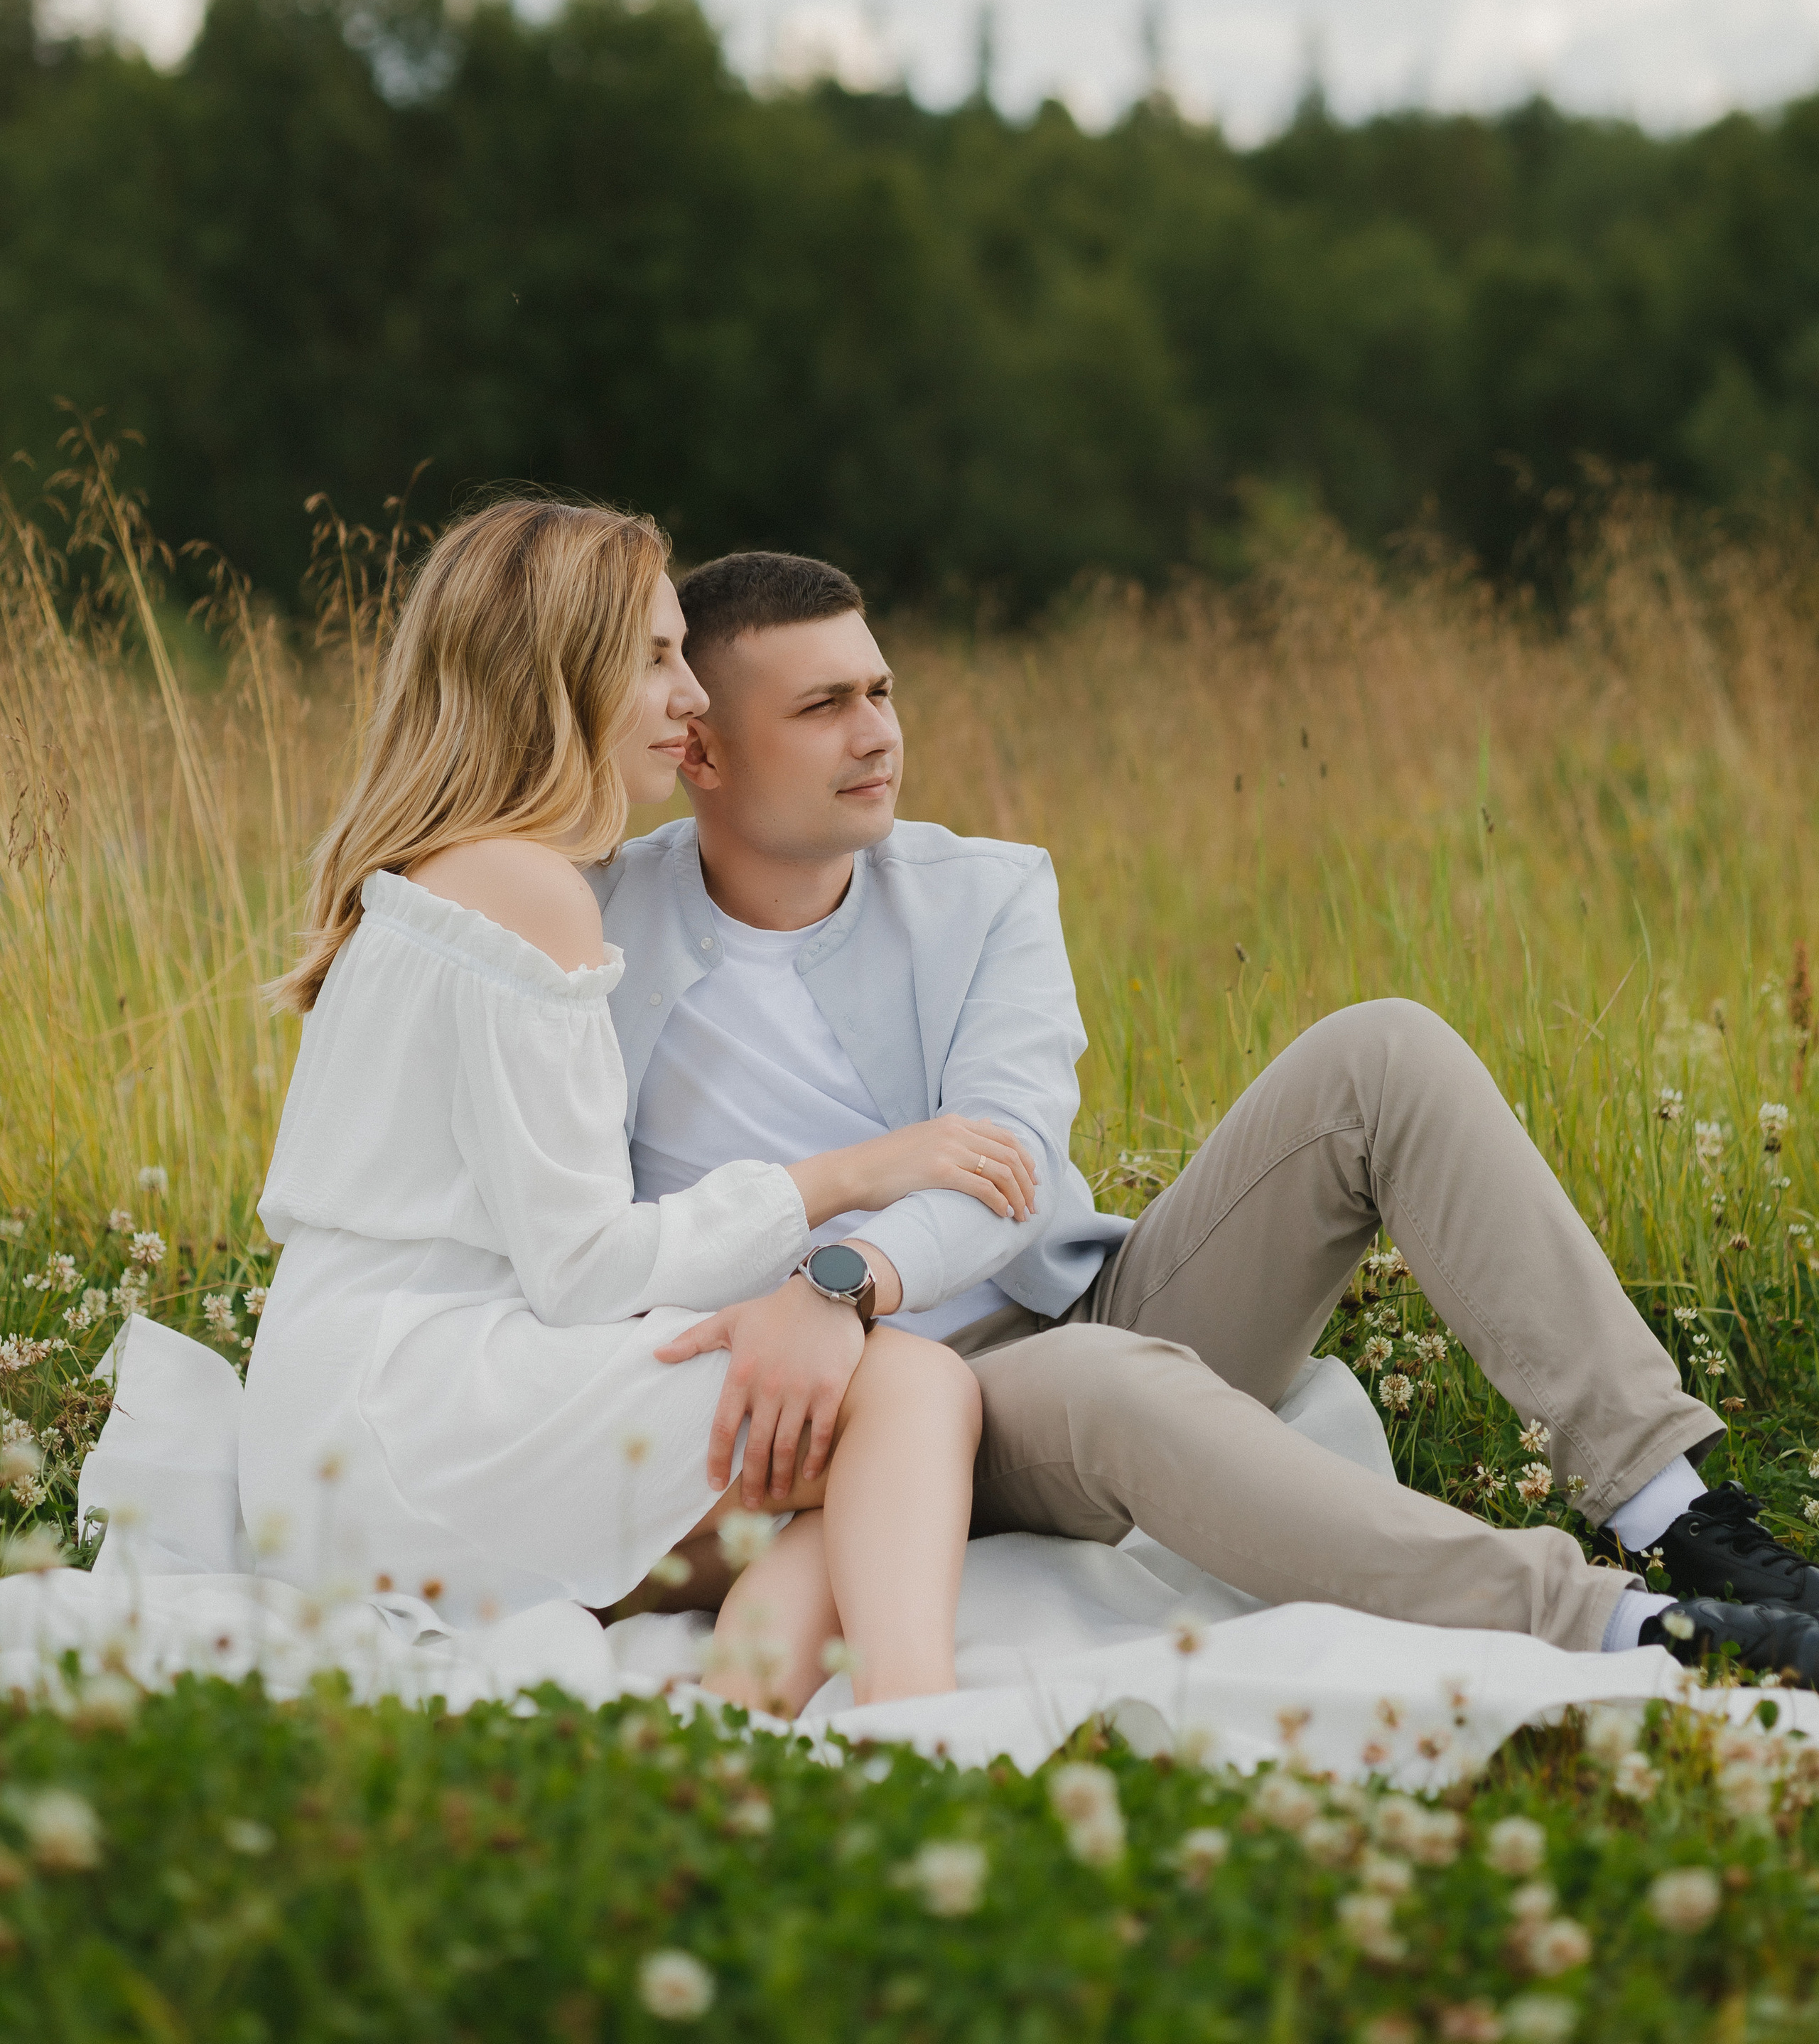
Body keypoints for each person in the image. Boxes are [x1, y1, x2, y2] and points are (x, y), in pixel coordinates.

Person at [596, 547, 1819, 1687]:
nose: (878, 736)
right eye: (823, 709)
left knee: (1383, 1051)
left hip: (1055, 1301)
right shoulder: (599, 926)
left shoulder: (986, 892)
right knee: (1107, 1382)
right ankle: (1615, 1624)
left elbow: (1008, 1160)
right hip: (873, 1411)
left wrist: (843, 1277)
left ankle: (1677, 1517)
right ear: (699, 752)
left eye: (881, 690)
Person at [242, 498, 990, 1715]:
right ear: (557, 676)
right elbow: (582, 1269)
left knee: (834, 1446)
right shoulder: (525, 887)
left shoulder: (442, 874)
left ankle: (742, 1719)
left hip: (329, 1430)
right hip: (416, 1411)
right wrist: (855, 1174)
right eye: (652, 658)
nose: (690, 694)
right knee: (907, 1387)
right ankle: (922, 1719)